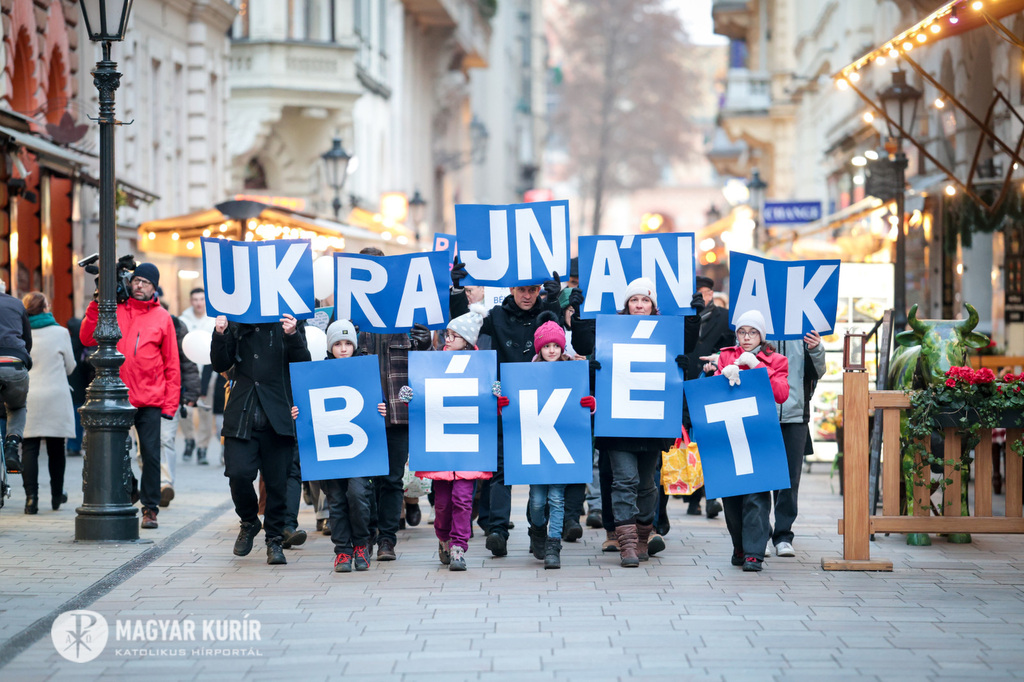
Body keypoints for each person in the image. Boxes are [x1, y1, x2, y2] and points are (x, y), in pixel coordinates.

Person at [470, 271, 589, 558]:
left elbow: (561, 347)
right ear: (511, 288)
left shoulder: (548, 313)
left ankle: (538, 530)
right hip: (507, 403)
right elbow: (478, 350)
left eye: (533, 290)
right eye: (522, 289)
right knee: (501, 468)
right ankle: (497, 529)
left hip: (544, 405)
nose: (527, 295)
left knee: (541, 471)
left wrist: (558, 305)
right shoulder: (495, 316)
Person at [80, 262, 181, 530]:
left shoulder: (163, 318)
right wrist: (97, 302)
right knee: (115, 451)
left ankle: (150, 508)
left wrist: (170, 404)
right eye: (136, 280)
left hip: (150, 398)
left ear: (154, 288)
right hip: (117, 396)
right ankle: (132, 489)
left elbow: (172, 364)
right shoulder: (117, 309)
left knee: (150, 455)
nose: (139, 285)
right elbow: (87, 337)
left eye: (145, 283)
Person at [591, 278, 680, 567]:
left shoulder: (665, 333)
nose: (639, 305)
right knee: (624, 481)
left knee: (647, 484)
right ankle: (627, 544)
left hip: (651, 421)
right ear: (626, 305)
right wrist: (595, 368)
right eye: (634, 300)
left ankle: (643, 536)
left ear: (653, 306)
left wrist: (680, 367)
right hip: (618, 423)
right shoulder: (610, 333)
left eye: (645, 300)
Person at [212, 312, 310, 565]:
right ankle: (249, 521)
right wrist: (220, 333)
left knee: (277, 483)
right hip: (242, 414)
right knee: (238, 473)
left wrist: (292, 335)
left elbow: (302, 363)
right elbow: (220, 364)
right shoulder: (237, 319)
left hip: (278, 414)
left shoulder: (290, 321)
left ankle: (274, 540)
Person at [357, 247, 434, 562]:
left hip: (398, 411)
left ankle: (387, 539)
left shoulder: (406, 308)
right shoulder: (351, 313)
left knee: (391, 479)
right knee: (365, 479)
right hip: (360, 411)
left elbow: (423, 343)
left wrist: (420, 329)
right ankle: (369, 533)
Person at [292, 319, 384, 573]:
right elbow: (307, 407)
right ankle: (342, 551)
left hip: (359, 450)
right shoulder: (317, 372)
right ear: (330, 345)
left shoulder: (365, 369)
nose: (343, 349)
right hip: (329, 448)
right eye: (338, 343)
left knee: (357, 495)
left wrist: (382, 407)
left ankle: (361, 545)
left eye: (347, 343)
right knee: (336, 499)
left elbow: (376, 399)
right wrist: (298, 411)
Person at [408, 304, 494, 572]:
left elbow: (491, 405)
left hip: (468, 447)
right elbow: (421, 395)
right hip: (442, 447)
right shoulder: (433, 363)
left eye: (454, 335)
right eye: (446, 334)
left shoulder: (482, 367)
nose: (448, 338)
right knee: (443, 504)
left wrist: (496, 394)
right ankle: (444, 539)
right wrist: (409, 395)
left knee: (463, 499)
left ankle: (458, 546)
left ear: (467, 341)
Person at [703, 309, 789, 572]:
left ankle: (754, 552)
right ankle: (739, 546)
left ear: (761, 335)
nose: (747, 337)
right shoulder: (727, 355)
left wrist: (757, 367)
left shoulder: (777, 359)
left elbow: (782, 394)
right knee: (731, 495)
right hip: (729, 434)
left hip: (758, 433)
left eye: (752, 332)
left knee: (757, 494)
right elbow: (713, 393)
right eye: (742, 332)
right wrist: (721, 374)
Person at [527, 312, 596, 569]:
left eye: (556, 345)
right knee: (537, 500)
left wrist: (589, 403)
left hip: (561, 443)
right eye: (547, 346)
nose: (553, 350)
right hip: (537, 444)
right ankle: (537, 530)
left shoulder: (573, 371)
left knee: (556, 497)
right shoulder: (529, 372)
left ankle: (553, 545)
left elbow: (582, 401)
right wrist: (506, 404)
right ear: (539, 348)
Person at [681, 275, 735, 519]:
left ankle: (713, 496)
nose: (702, 297)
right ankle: (693, 498)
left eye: (705, 292)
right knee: (690, 441)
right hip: (685, 384)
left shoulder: (724, 317)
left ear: (712, 294)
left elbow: (730, 347)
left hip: (712, 384)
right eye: (698, 292)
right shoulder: (684, 316)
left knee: (712, 440)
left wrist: (716, 361)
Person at [769, 330, 825, 558]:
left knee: (790, 479)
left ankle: (783, 535)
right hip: (763, 411)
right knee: (762, 477)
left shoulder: (803, 328)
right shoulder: (761, 324)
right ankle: (759, 534)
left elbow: (818, 371)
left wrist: (816, 348)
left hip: (795, 412)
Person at [20, 292, 75, 514]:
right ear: (44, 308)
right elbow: (70, 366)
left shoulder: (20, 332)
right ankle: (56, 495)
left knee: (30, 448)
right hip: (55, 396)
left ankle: (31, 499)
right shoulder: (61, 332)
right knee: (56, 449)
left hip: (28, 395)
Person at [158, 302, 201, 508]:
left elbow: (187, 361)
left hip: (170, 393)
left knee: (166, 438)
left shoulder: (176, 325)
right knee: (143, 447)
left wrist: (192, 392)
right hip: (142, 394)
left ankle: (165, 483)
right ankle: (153, 483)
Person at [178, 287, 217, 465]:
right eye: (195, 299)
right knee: (185, 409)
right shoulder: (183, 320)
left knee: (205, 412)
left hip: (209, 371)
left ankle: (202, 447)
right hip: (188, 372)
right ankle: (188, 440)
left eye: (202, 299)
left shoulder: (212, 321)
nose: (198, 303)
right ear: (191, 301)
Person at [0, 278, 31, 476]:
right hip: (14, 363)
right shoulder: (17, 304)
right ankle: (12, 444)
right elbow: (27, 340)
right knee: (17, 406)